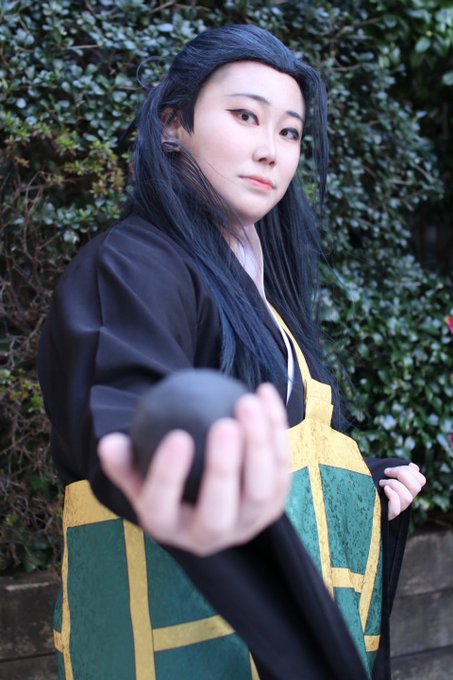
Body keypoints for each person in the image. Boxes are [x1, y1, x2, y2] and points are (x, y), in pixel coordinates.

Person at [38, 24, 426, 680]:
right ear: (173, 126)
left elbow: (280, 458)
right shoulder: (134, 264)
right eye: (245, 116)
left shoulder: (263, 292)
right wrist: (164, 466)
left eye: (289, 132)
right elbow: (135, 425)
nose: (270, 150)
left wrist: (362, 484)